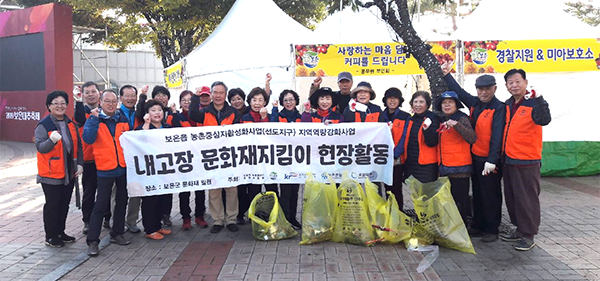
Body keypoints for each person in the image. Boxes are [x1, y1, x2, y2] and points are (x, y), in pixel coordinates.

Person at [443, 65, 505, 243]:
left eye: (487, 89)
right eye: (480, 89)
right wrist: (447, 76)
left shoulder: (498, 108)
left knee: (490, 194)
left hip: (489, 161)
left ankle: (492, 228)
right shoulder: (476, 104)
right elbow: (459, 93)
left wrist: (492, 159)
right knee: (477, 192)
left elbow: (497, 135)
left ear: (494, 89)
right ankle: (478, 224)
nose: (484, 92)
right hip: (475, 159)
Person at [499, 69, 551, 251]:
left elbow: (545, 120)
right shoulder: (507, 105)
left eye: (517, 82)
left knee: (527, 198)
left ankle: (529, 234)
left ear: (525, 82)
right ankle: (520, 229)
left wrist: (540, 100)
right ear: (506, 86)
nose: (514, 85)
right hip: (509, 159)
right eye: (510, 83)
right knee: (512, 198)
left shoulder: (534, 103)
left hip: (527, 160)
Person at [83, 89, 131, 256]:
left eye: (113, 101)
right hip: (104, 169)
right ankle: (93, 241)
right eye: (107, 101)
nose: (110, 104)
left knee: (122, 201)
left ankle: (117, 233)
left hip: (122, 168)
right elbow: (88, 139)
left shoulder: (122, 119)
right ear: (100, 103)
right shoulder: (94, 119)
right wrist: (93, 120)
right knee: (101, 205)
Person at [189, 81, 241, 233]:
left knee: (231, 189)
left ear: (225, 95)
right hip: (211, 157)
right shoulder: (204, 112)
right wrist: (195, 97)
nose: (218, 95)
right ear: (211, 94)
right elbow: (192, 114)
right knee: (214, 190)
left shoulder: (233, 113)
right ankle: (218, 220)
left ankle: (231, 219)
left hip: (229, 156)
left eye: (221, 93)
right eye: (215, 92)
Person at [35, 90, 83, 247]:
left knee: (64, 203)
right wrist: (51, 141)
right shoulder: (44, 125)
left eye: (63, 103)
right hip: (51, 173)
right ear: (49, 106)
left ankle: (60, 232)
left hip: (69, 172)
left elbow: (78, 146)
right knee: (52, 204)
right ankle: (50, 235)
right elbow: (41, 147)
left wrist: (80, 164)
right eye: (55, 103)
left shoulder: (70, 124)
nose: (59, 106)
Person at [135, 85, 180, 227]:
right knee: (150, 201)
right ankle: (150, 229)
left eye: (159, 110)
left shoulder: (167, 128)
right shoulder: (141, 128)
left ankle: (158, 226)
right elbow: (140, 142)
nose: (157, 113)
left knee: (162, 199)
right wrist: (147, 124)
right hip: (149, 172)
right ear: (147, 113)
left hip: (165, 170)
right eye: (153, 110)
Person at [74, 81, 111, 234]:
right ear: (83, 95)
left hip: (105, 158)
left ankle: (107, 217)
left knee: (106, 191)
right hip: (89, 159)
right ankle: (87, 221)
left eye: (93, 91)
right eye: (87, 92)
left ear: (99, 93)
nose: (90, 94)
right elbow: (79, 120)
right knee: (89, 192)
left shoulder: (106, 110)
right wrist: (77, 101)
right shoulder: (80, 111)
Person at [238, 87, 278, 224]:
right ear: (249, 101)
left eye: (260, 100)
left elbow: (273, 136)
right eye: (254, 100)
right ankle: (253, 216)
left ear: (265, 102)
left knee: (272, 189)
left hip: (268, 160)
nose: (257, 103)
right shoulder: (244, 118)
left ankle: (273, 215)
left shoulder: (271, 117)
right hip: (251, 161)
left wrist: (264, 118)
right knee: (253, 190)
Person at [435, 91, 476, 224]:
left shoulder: (462, 118)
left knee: (461, 201)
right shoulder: (441, 119)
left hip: (460, 169)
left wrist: (456, 125)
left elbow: (472, 138)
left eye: (450, 102)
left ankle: (463, 228)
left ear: (456, 105)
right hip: (445, 167)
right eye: (444, 103)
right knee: (449, 200)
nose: (447, 105)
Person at [176, 89, 209, 230]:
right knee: (184, 190)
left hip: (200, 158)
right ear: (180, 103)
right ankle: (186, 218)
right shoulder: (175, 117)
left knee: (200, 189)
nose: (187, 103)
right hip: (183, 159)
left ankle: (199, 216)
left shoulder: (201, 116)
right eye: (184, 100)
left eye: (190, 100)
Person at [270, 89, 302, 229]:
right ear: (282, 102)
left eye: (291, 99)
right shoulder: (279, 115)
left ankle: (293, 218)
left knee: (295, 191)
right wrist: (275, 109)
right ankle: (284, 219)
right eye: (286, 100)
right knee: (285, 191)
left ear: (296, 101)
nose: (289, 102)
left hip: (298, 159)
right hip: (282, 159)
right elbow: (272, 127)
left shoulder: (301, 117)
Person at [378, 87, 410, 211]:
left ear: (400, 100)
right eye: (389, 98)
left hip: (397, 159)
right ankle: (388, 213)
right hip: (382, 158)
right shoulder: (380, 116)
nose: (392, 101)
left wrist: (395, 153)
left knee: (396, 187)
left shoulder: (405, 116)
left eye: (395, 98)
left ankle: (398, 214)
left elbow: (405, 136)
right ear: (385, 100)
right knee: (385, 187)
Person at [118, 84, 144, 234]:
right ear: (121, 97)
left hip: (137, 160)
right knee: (118, 194)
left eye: (132, 95)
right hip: (120, 160)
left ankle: (131, 221)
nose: (130, 98)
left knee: (136, 192)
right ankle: (117, 222)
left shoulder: (140, 114)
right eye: (127, 95)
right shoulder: (115, 114)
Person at [403, 91, 440, 183]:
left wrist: (427, 129)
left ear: (427, 104)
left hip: (427, 164)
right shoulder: (411, 119)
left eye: (421, 102)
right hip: (412, 162)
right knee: (415, 193)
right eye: (415, 102)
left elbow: (432, 142)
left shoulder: (433, 118)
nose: (418, 105)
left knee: (426, 194)